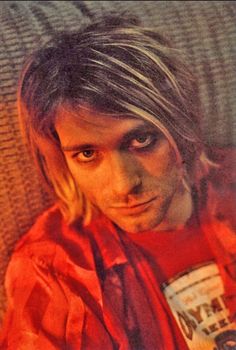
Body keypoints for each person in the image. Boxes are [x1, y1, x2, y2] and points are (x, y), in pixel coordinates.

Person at [0, 14, 236, 350]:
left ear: (180, 128)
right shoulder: (55, 270)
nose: (124, 184)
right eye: (86, 154)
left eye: (141, 140)